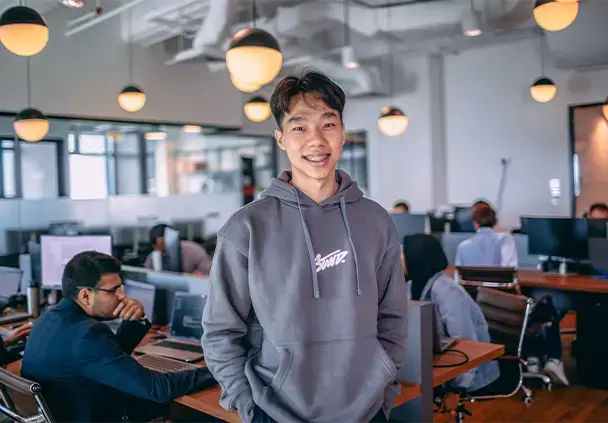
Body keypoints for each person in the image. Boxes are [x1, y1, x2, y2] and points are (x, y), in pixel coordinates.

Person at [201, 70, 408, 423]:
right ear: (281, 138)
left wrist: (382, 389)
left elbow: (392, 318)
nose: (316, 140)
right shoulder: (246, 228)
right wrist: (248, 406)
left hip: (367, 411)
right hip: (275, 412)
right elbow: (221, 331)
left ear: (343, 133)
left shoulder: (376, 221)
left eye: (328, 125)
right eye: (300, 128)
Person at [22, 251, 215, 423]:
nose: (122, 296)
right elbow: (159, 388)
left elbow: (107, 358)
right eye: (113, 290)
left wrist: (135, 321)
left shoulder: (48, 319)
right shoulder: (86, 335)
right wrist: (218, 370)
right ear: (86, 296)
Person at [455, 205, 569, 385]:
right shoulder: (506, 241)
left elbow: (459, 282)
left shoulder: (463, 246)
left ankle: (532, 359)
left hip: (478, 310)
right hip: (504, 309)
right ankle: (552, 359)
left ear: (475, 224)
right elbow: (511, 275)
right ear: (496, 222)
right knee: (547, 306)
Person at [403, 234, 499, 392]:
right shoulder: (412, 285)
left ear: (416, 258)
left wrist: (459, 388)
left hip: (469, 375)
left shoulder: (446, 291)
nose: (399, 259)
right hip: (435, 359)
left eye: (403, 254)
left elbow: (466, 343)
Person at [145, 223, 212, 275]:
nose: (163, 251)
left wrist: (201, 274)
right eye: (159, 248)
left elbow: (210, 273)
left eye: (164, 246)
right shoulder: (152, 258)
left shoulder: (194, 250)